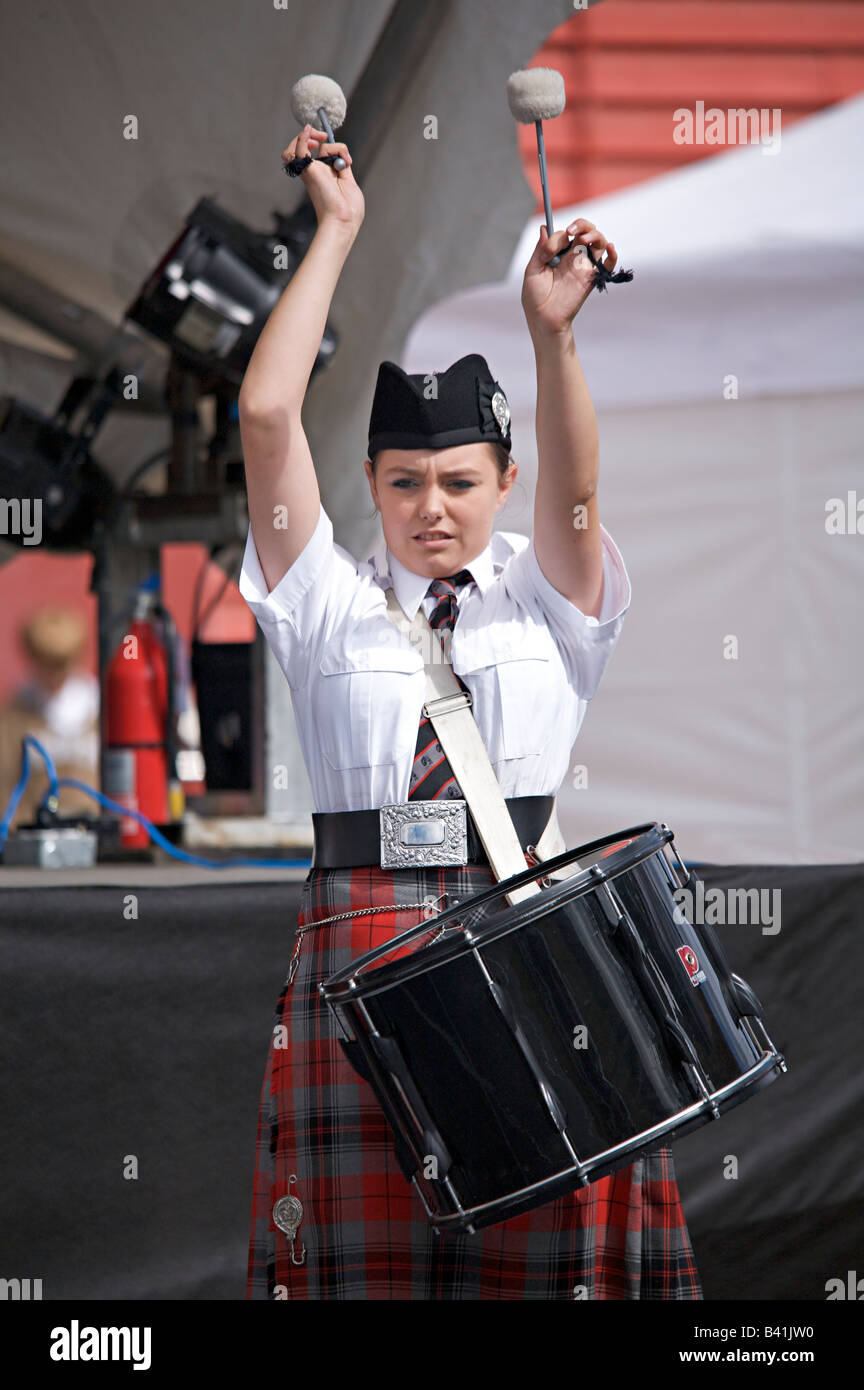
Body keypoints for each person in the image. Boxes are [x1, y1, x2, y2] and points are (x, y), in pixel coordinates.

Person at [236, 122, 702, 1300]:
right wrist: (335, 229)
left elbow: (581, 488)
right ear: (372, 487)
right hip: (362, 949)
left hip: (534, 945)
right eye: (402, 482)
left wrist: (553, 336)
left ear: (502, 480)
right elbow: (263, 419)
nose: (430, 508)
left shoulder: (552, 604)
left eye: (457, 481)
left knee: (545, 1274)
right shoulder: (324, 605)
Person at [0, 605, 99, 829]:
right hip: (36, 835)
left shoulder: (98, 711)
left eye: (62, 661)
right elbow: (5, 787)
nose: (55, 672)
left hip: (95, 837)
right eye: (47, 661)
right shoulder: (15, 717)